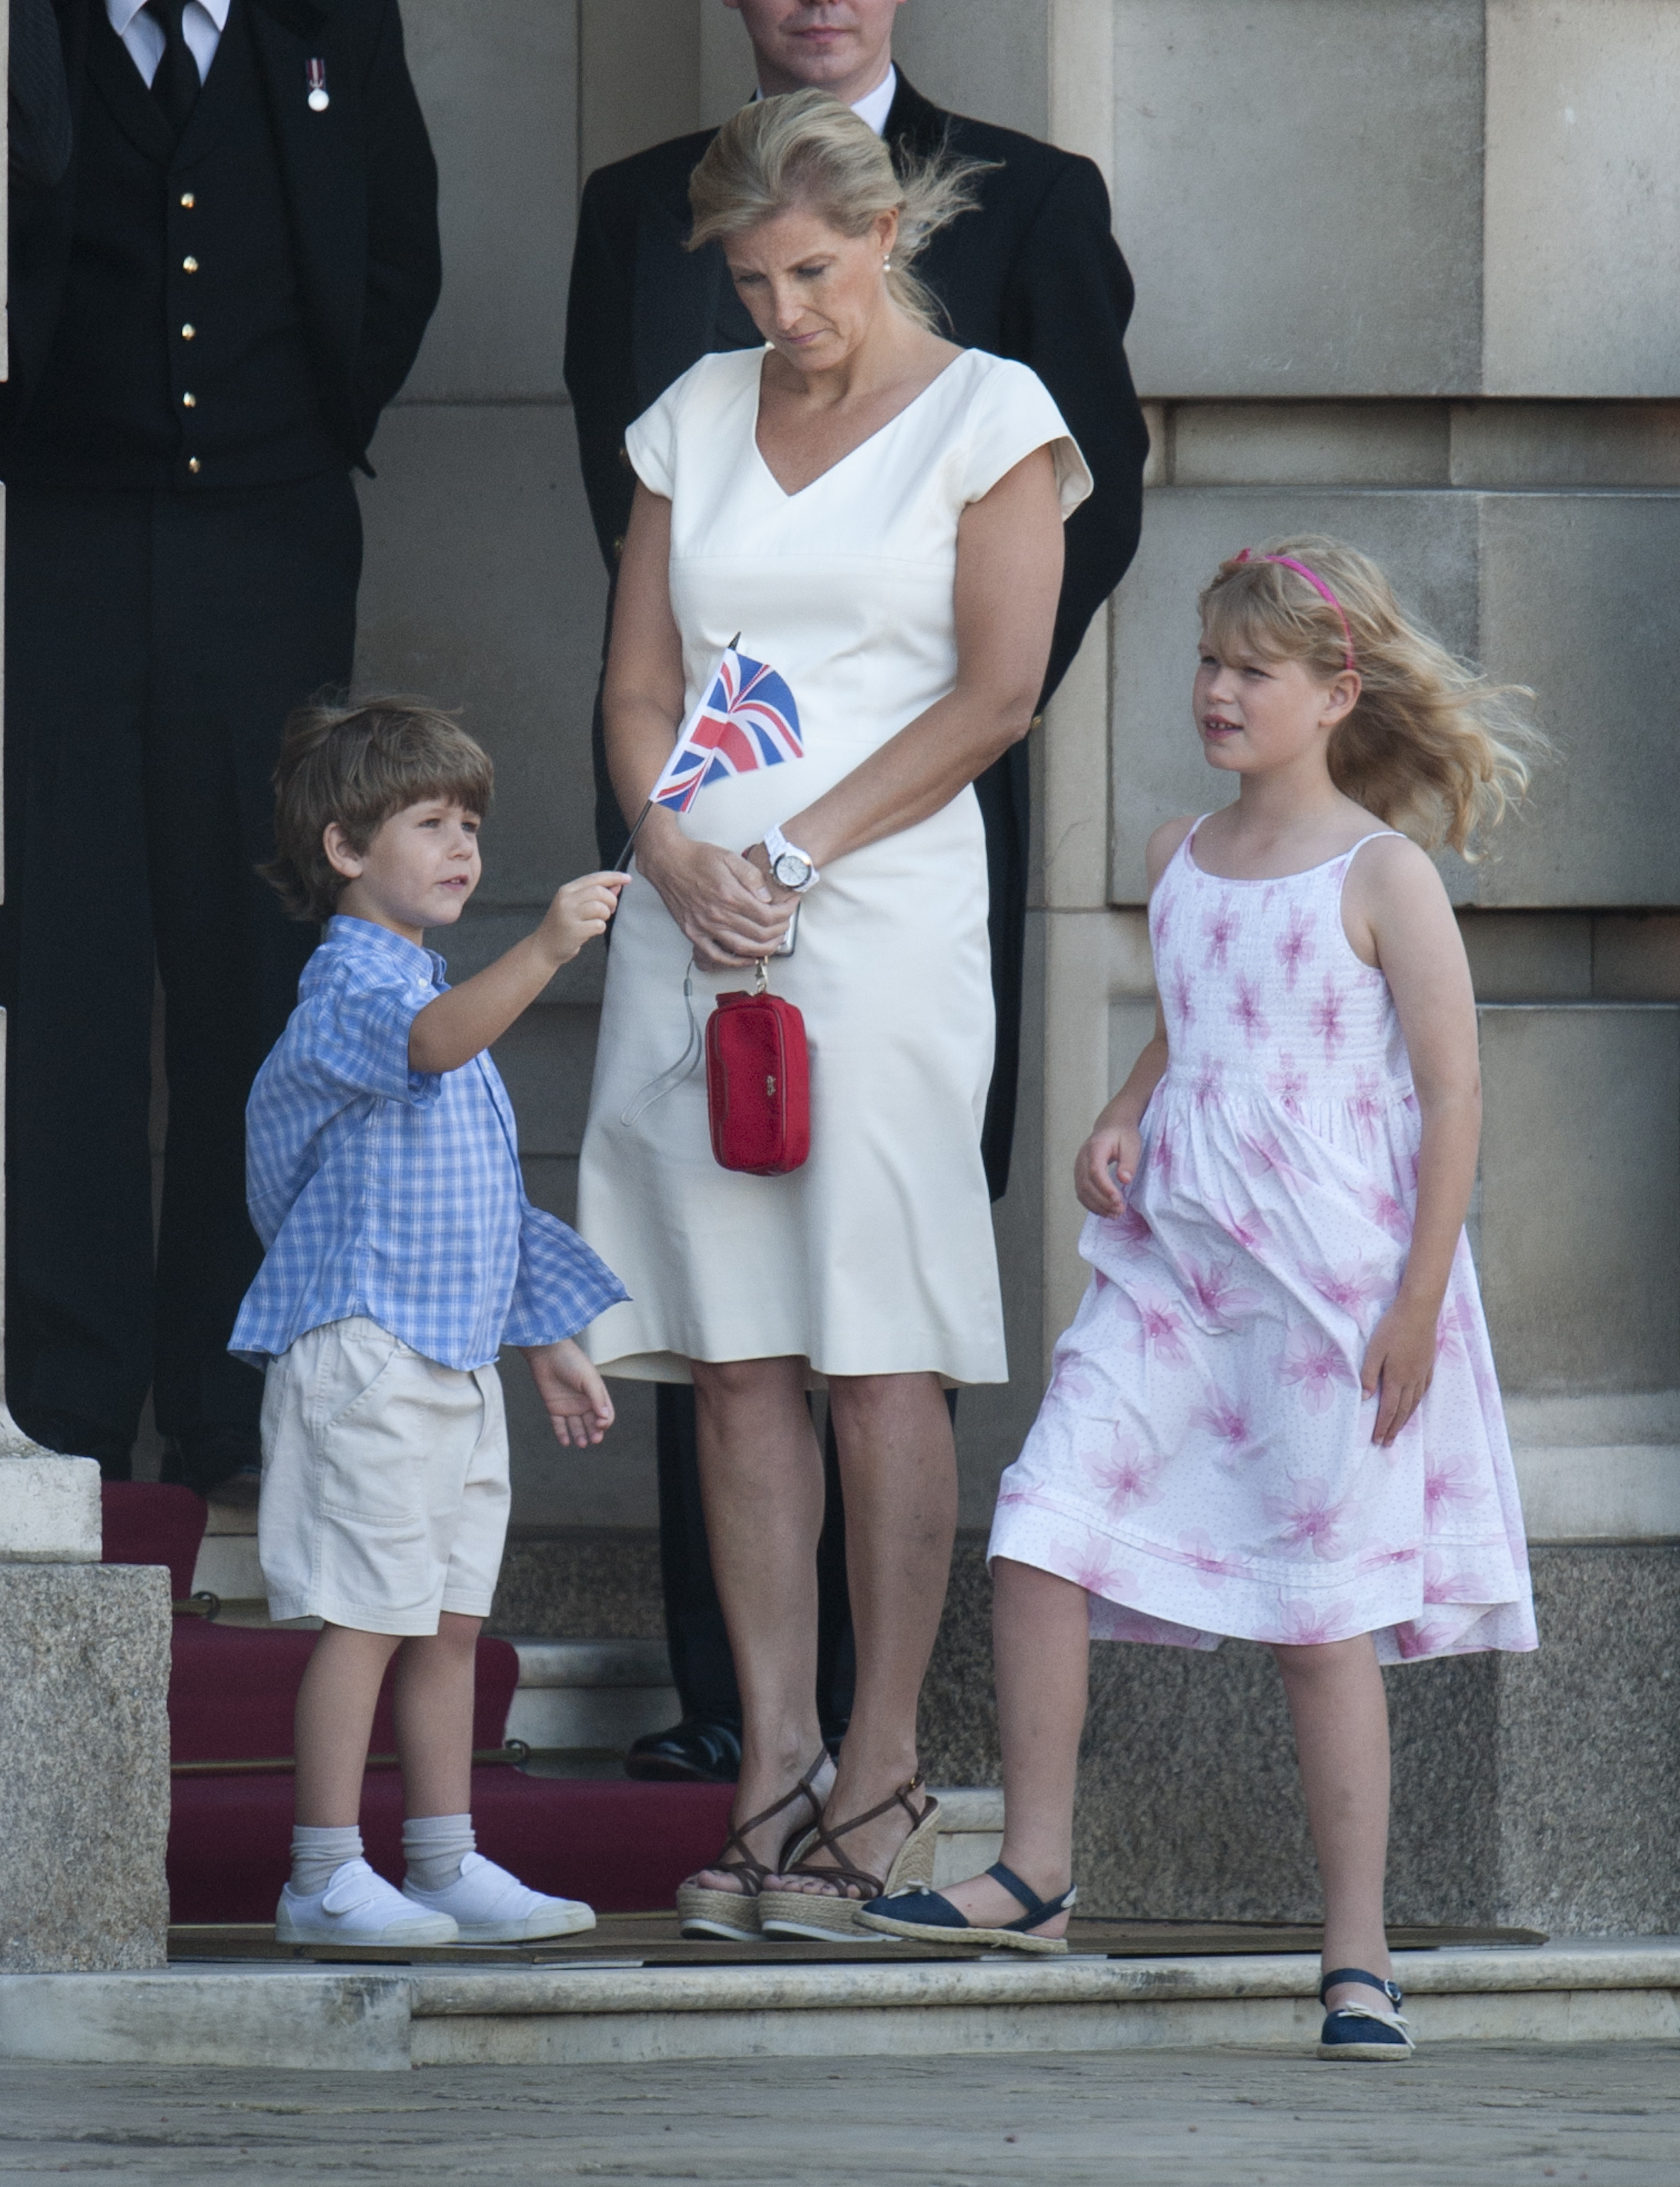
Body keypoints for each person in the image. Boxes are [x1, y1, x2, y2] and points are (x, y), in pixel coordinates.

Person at [564, 0, 1150, 1787]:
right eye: (750, 286)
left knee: (878, 1348)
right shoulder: (693, 407)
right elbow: (637, 679)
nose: (781, 319)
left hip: (879, 921)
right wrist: (667, 847)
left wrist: (797, 857)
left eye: (808, 277)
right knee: (734, 1356)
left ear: (886, 234)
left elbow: (992, 690)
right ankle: (772, 1761)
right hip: (696, 916)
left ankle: (885, 1763)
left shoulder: (994, 414)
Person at [858, 540, 1544, 2055]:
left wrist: (1416, 1300)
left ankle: (1354, 1954)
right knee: (1038, 1525)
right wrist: (1120, 1105)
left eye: (1252, 670)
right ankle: (1034, 1868)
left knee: (1319, 1623)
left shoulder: (1380, 875)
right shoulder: (1179, 854)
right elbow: (1195, 1025)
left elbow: (1451, 1092)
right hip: (1171, 1279)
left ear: (1332, 691)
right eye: (1207, 663)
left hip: (1328, 1294)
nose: (1217, 692)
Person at [0, 0, 441, 1496]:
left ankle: (227, 1407)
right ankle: (66, 1414)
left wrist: (302, 435)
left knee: (254, 970)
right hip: (53, 539)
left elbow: (398, 252)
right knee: (69, 980)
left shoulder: (333, 19)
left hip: (269, 543)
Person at [229, 698, 628, 1944]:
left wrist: (545, 1333)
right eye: (428, 823)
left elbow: (478, 1202)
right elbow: (430, 1048)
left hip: (447, 1352)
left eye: (470, 824)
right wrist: (551, 947)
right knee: (370, 1617)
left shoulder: (429, 984)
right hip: (367, 1351)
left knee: (451, 1618)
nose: (461, 846)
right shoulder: (357, 984)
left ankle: (445, 1857)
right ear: (347, 851)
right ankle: (322, 1873)